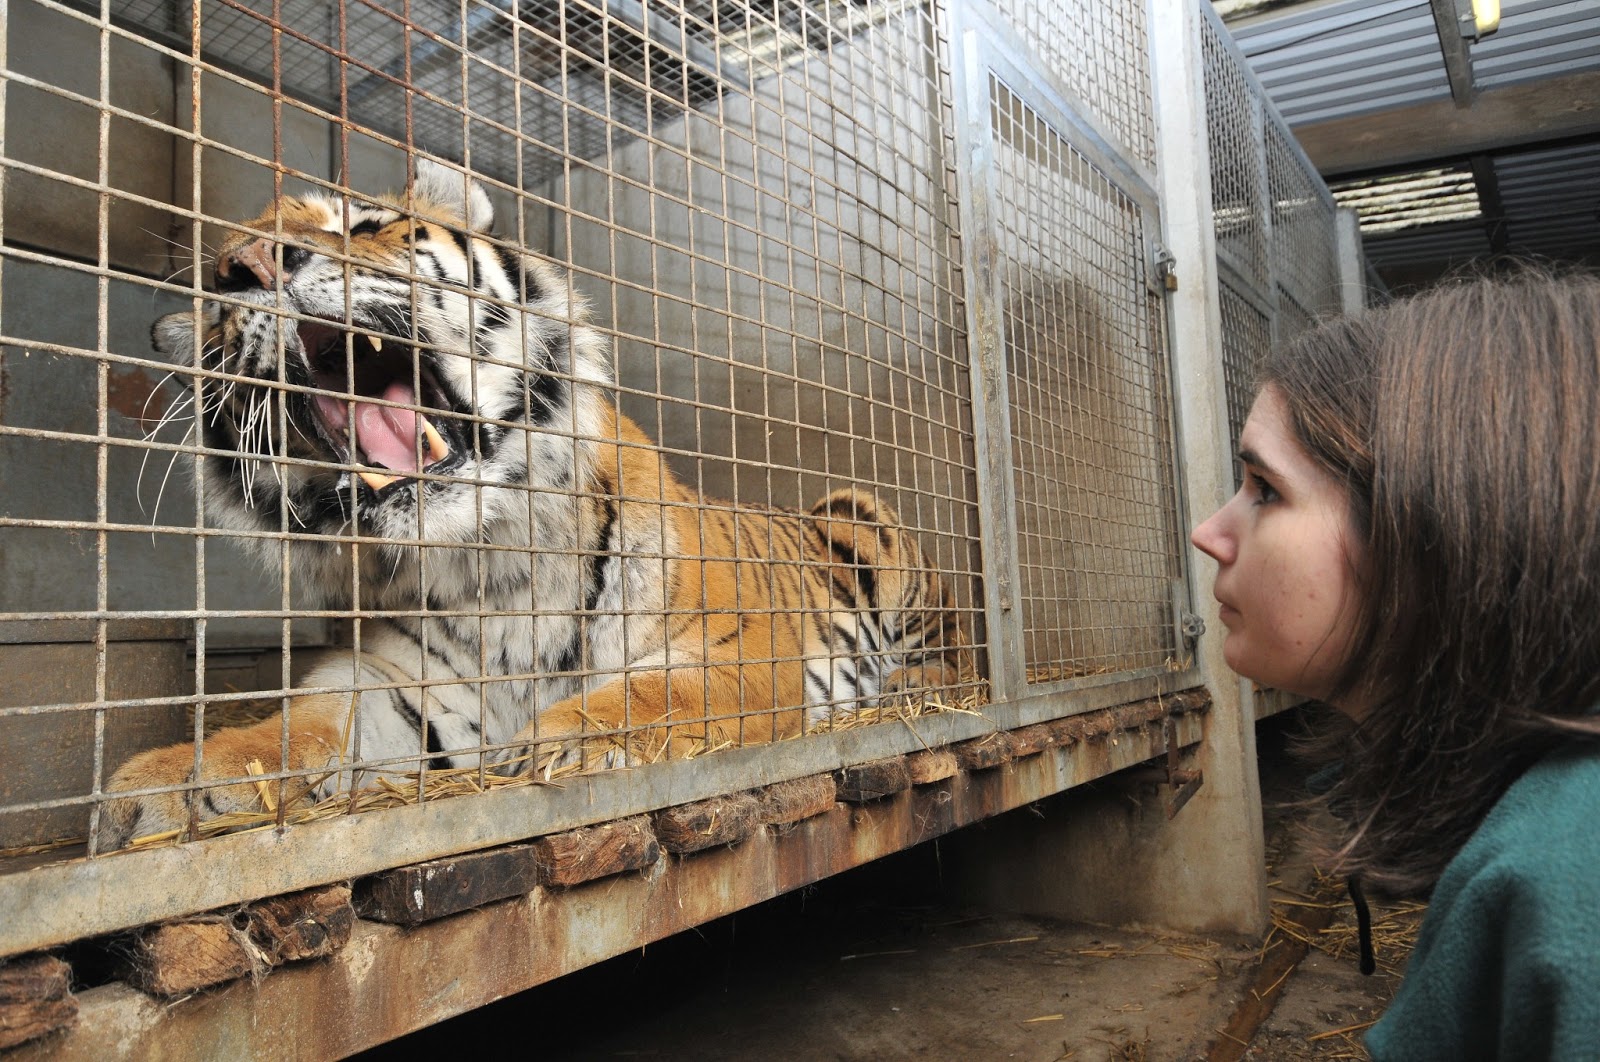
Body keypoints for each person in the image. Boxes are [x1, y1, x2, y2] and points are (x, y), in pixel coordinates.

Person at [1189, 267, 1600, 1060]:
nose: (1212, 531)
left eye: (1264, 489)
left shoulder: (1568, 874)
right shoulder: (1533, 819)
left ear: (1436, 525)